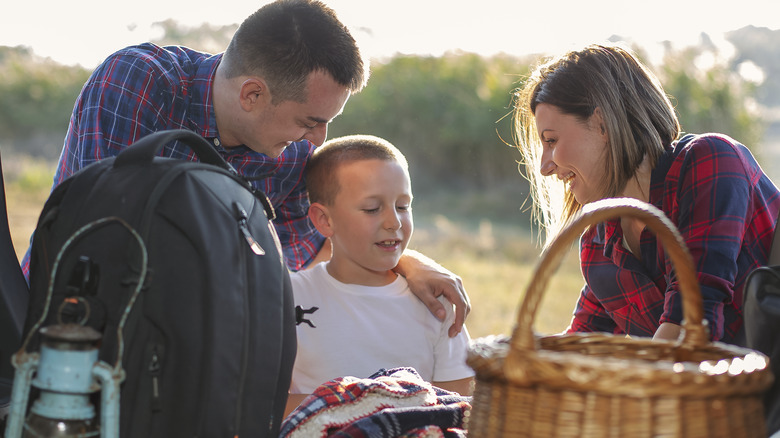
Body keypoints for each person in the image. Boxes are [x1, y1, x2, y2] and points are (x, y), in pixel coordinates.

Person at [21, 0, 469, 335]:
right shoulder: (140, 82)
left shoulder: (291, 154)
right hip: (61, 322)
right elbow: (100, 235)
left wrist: (409, 265)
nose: (318, 141)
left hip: (186, 351)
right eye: (309, 121)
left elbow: (315, 252)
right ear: (253, 94)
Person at [513, 43, 780, 344]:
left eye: (551, 140)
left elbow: (693, 326)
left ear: (602, 124)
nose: (544, 167)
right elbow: (578, 348)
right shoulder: (598, 246)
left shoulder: (710, 161)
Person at [285, 134, 474, 416]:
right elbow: (264, 404)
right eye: (372, 209)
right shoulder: (288, 296)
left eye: (403, 206)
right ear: (324, 220)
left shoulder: (435, 304)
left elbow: (459, 407)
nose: (393, 222)